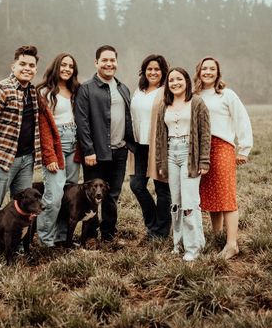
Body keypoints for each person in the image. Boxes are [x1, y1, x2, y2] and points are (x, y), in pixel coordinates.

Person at [0, 45, 42, 268]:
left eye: (31, 65)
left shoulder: (32, 92)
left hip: (26, 160)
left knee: (23, 207)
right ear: (13, 66)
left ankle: (18, 246)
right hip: (3, 160)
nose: (27, 68)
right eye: (22, 64)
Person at [74, 45, 135, 245]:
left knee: (112, 195)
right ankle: (90, 237)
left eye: (112, 60)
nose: (109, 64)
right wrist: (89, 150)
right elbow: (81, 122)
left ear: (116, 62)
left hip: (119, 151)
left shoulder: (122, 88)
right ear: (96, 63)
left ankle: (108, 235)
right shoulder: (86, 89)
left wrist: (128, 143)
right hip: (96, 153)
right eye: (104, 60)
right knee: (92, 196)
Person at [194, 57, 253, 260]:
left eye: (212, 69)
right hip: (202, 149)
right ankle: (217, 237)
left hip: (222, 147)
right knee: (210, 195)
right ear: (199, 71)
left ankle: (231, 244)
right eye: (204, 68)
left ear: (218, 73)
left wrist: (244, 148)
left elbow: (241, 118)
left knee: (226, 195)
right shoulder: (195, 95)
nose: (208, 72)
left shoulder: (226, 95)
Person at [149, 67, 211, 261]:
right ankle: (179, 243)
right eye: (171, 80)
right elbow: (160, 137)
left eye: (179, 79)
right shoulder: (164, 105)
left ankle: (193, 248)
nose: (175, 83)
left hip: (189, 154)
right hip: (171, 155)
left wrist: (204, 160)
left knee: (190, 202)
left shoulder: (197, 102)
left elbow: (205, 133)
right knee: (175, 202)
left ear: (186, 81)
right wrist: (161, 163)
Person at [36, 53, 81, 247]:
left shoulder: (76, 90)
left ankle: (62, 238)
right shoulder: (46, 92)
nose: (67, 69)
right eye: (63, 65)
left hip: (74, 143)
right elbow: (43, 128)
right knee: (54, 197)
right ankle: (46, 240)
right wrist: (49, 155)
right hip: (57, 144)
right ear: (56, 66)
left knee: (69, 195)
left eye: (70, 66)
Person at [130, 54, 170, 240]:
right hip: (139, 146)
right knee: (136, 185)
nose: (153, 72)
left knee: (162, 190)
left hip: (159, 146)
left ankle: (160, 232)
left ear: (163, 72)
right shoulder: (139, 90)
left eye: (157, 69)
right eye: (149, 69)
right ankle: (153, 223)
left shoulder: (166, 91)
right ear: (144, 71)